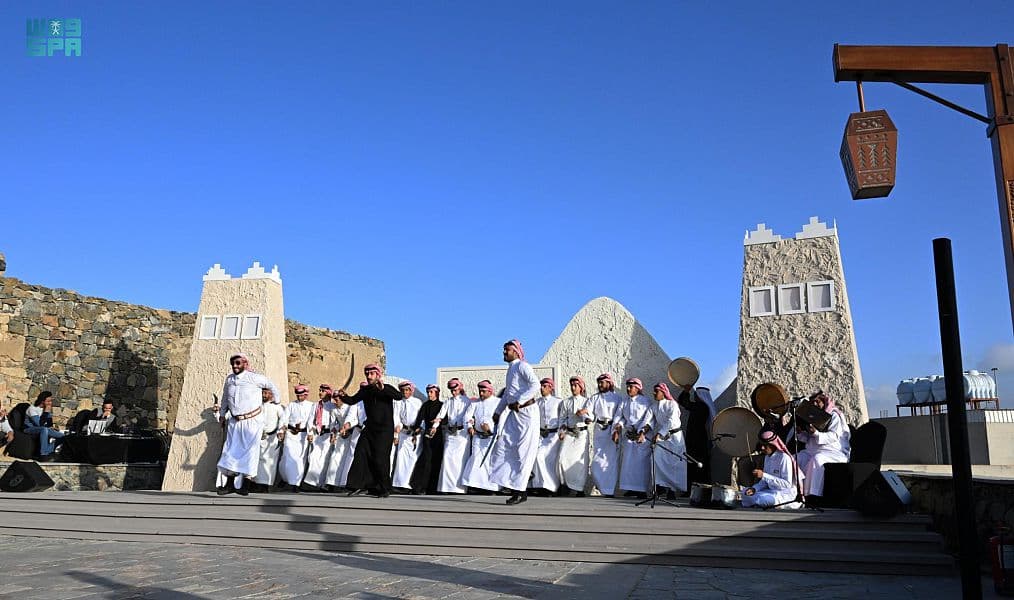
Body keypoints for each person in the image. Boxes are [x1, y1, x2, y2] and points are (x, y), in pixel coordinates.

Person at [215, 353, 281, 495]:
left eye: (238, 363)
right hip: (235, 422)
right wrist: (222, 414)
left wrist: (277, 400)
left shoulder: (255, 378)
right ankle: (229, 485)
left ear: (245, 364)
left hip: (252, 422)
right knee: (230, 451)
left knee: (250, 453)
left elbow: (271, 386)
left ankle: (245, 485)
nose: (235, 366)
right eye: (233, 363)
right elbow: (225, 398)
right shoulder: (229, 380)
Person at [489, 339, 541, 505]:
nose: (504, 352)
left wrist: (520, 400)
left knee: (523, 451)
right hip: (514, 414)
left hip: (527, 413)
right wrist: (498, 412)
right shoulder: (510, 369)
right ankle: (517, 487)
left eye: (507, 350)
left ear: (516, 352)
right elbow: (507, 394)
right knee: (504, 447)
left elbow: (535, 385)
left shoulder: (522, 366)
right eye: (504, 349)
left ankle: (519, 491)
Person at [337, 363, 399, 498]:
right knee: (360, 453)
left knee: (380, 458)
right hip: (369, 429)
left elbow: (398, 396)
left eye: (371, 374)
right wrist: (343, 396)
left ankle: (383, 488)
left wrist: (383, 390)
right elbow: (352, 400)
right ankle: (358, 486)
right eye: (367, 374)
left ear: (378, 375)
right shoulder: (365, 391)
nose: (369, 376)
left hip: (384, 431)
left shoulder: (387, 388)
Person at [795, 390, 850, 498]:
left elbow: (834, 436)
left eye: (818, 401)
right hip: (812, 450)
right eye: (813, 402)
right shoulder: (812, 417)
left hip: (833, 451)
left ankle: (811, 495)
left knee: (817, 459)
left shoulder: (833, 416)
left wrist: (815, 433)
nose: (815, 404)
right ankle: (795, 492)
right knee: (796, 458)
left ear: (824, 401)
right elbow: (809, 439)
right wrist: (800, 433)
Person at [613, 378, 653, 498]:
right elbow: (619, 417)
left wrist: (642, 432)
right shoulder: (624, 402)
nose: (628, 389)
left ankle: (642, 490)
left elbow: (649, 419)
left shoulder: (645, 401)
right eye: (628, 386)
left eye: (631, 387)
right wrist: (617, 429)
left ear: (638, 388)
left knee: (641, 464)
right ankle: (631, 488)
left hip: (642, 437)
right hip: (629, 436)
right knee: (628, 463)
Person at [741, 429, 802, 509]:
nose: (762, 448)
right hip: (770, 492)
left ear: (773, 445)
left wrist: (764, 475)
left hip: (783, 494)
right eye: (761, 445)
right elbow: (764, 482)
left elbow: (787, 484)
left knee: (762, 500)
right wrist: (754, 489)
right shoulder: (767, 457)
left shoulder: (784, 458)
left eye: (765, 445)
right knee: (744, 492)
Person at [460, 380, 498, 493]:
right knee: (476, 459)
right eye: (480, 391)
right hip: (478, 436)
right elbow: (467, 417)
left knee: (490, 461)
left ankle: (491, 488)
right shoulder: (475, 403)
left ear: (490, 391)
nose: (481, 393)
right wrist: (469, 427)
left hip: (492, 437)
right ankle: (476, 486)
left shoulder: (498, 402)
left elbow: (502, 419)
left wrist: (490, 429)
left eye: (483, 391)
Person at [650, 382, 687, 499]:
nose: (654, 393)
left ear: (663, 392)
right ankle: (659, 486)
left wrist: (660, 433)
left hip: (675, 438)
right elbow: (650, 420)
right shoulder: (654, 406)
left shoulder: (672, 404)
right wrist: (643, 431)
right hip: (662, 438)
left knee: (673, 463)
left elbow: (671, 421)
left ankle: (672, 490)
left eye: (656, 391)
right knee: (655, 458)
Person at [434, 378, 470, 494]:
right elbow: (440, 416)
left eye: (455, 390)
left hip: (462, 435)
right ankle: (446, 488)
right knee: (447, 459)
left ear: (459, 388)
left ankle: (459, 489)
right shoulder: (448, 402)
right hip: (450, 434)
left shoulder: (467, 401)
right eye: (452, 391)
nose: (453, 392)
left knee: (459, 461)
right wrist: (434, 426)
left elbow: (469, 417)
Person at [557, 376, 592, 496]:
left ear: (581, 387)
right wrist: (561, 431)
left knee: (579, 462)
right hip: (569, 433)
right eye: (571, 385)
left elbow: (591, 416)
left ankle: (579, 488)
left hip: (582, 435)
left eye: (575, 385)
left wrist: (586, 417)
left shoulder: (587, 401)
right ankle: (564, 485)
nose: (573, 388)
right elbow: (562, 419)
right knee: (562, 458)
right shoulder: (566, 402)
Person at [588, 373, 622, 497]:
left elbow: (620, 415)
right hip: (599, 430)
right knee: (597, 461)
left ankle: (609, 490)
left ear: (609, 383)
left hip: (612, 431)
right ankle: (601, 486)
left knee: (610, 461)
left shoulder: (617, 398)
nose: (600, 385)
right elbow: (589, 412)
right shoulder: (594, 398)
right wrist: (587, 417)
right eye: (599, 383)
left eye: (602, 383)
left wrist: (616, 431)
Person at [303, 384, 340, 490]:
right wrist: (310, 433)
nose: (320, 393)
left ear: (328, 393)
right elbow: (311, 420)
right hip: (317, 435)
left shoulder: (333, 406)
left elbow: (337, 422)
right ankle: (313, 483)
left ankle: (323, 483)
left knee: (325, 459)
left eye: (322, 391)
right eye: (320, 390)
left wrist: (334, 432)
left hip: (328, 435)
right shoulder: (316, 405)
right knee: (313, 457)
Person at [529, 377, 563, 495]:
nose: (542, 389)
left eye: (544, 386)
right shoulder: (537, 402)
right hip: (541, 435)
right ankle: (540, 485)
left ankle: (551, 487)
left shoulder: (558, 401)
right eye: (541, 386)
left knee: (550, 460)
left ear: (550, 388)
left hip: (554, 436)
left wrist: (561, 432)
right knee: (537, 456)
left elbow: (562, 418)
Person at [409, 384, 444, 494]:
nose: (429, 394)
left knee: (436, 460)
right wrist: (416, 428)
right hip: (428, 436)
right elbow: (420, 418)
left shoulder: (442, 405)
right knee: (426, 460)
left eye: (431, 392)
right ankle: (420, 487)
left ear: (437, 393)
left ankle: (433, 488)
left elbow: (445, 419)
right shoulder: (425, 405)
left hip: (438, 437)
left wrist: (438, 422)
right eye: (428, 392)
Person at [323, 391, 362, 491]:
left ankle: (345, 484)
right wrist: (333, 433)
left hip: (351, 434)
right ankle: (331, 483)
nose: (335, 402)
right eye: (334, 400)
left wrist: (348, 430)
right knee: (335, 458)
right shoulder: (334, 410)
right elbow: (333, 424)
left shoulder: (350, 407)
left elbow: (355, 420)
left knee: (347, 460)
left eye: (337, 400)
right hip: (340, 435)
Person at [279, 384, 314, 492]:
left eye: (301, 395)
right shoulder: (291, 405)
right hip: (291, 435)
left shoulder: (311, 406)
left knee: (300, 460)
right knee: (287, 457)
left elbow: (311, 421)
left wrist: (310, 433)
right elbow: (284, 418)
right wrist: (281, 431)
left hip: (303, 436)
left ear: (306, 395)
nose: (299, 397)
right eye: (297, 395)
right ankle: (286, 480)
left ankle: (296, 484)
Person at [677, 384, 712, 489]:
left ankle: (697, 488)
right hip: (695, 438)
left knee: (697, 465)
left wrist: (686, 391)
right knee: (692, 464)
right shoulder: (699, 406)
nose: (695, 397)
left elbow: (685, 403)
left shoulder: (702, 407)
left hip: (698, 440)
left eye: (696, 395)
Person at [391, 381, 423, 492]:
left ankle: (409, 485)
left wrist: (418, 429)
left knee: (413, 459)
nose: (405, 392)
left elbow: (421, 417)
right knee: (401, 458)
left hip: (415, 434)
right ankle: (399, 484)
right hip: (403, 433)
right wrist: (397, 430)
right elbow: (396, 417)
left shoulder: (417, 402)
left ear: (411, 391)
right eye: (403, 390)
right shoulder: (398, 402)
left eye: (407, 390)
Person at [253, 387, 286, 490]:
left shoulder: (277, 407)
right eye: (263, 393)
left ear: (271, 395)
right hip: (258, 437)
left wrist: (281, 431)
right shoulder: (257, 406)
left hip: (272, 438)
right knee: (257, 460)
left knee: (269, 461)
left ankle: (265, 485)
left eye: (266, 393)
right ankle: (256, 484)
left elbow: (283, 419)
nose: (264, 395)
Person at [24, 392, 66, 461]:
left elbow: (49, 423)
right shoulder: (32, 409)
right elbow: (39, 424)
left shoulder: (46, 408)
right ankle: (43, 455)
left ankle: (48, 451)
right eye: (48, 401)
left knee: (63, 436)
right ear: (42, 401)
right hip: (29, 428)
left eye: (51, 401)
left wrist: (51, 427)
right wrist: (46, 411)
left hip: (43, 428)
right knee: (44, 429)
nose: (50, 403)